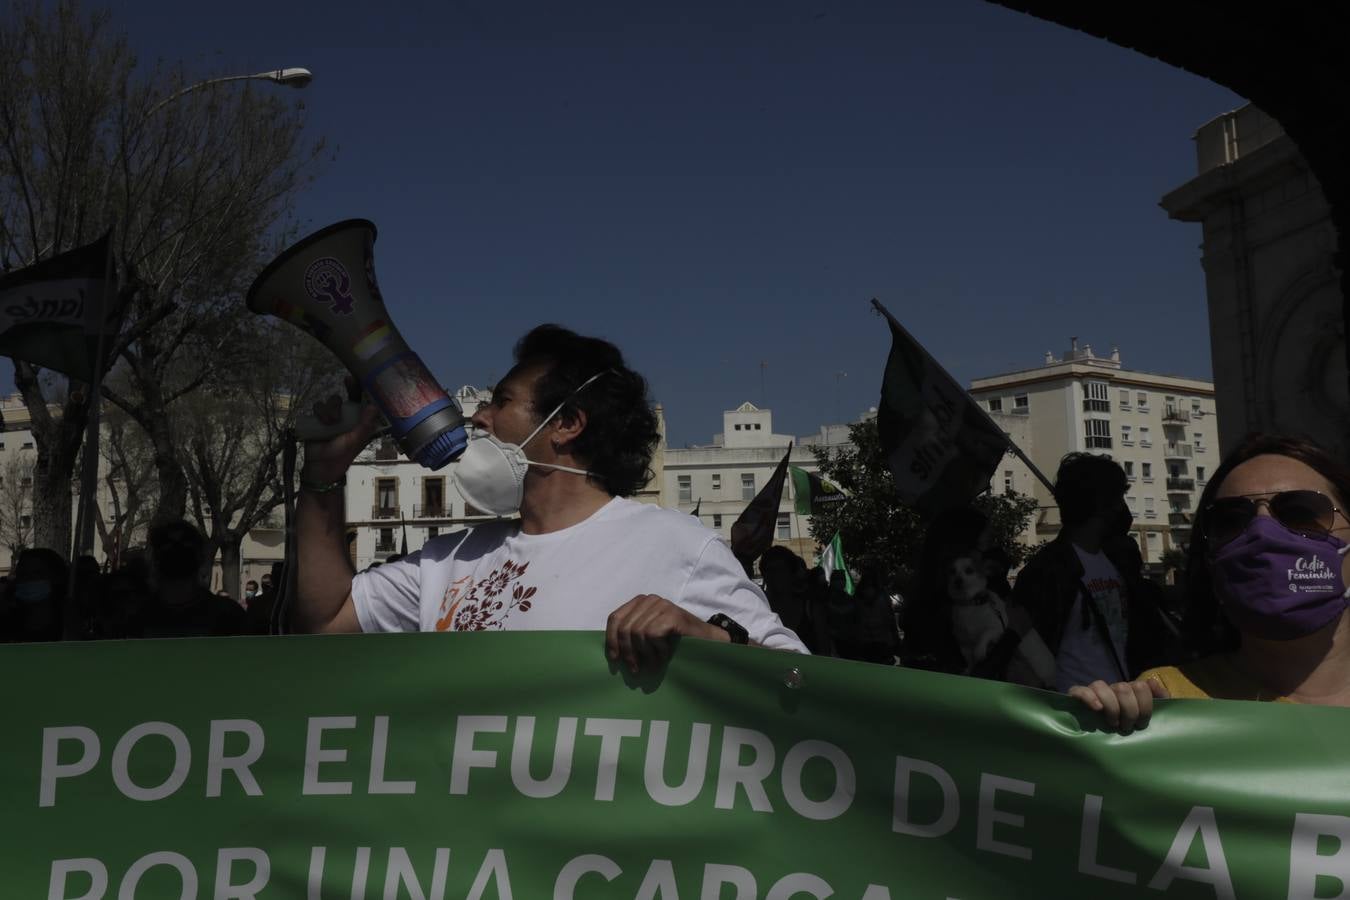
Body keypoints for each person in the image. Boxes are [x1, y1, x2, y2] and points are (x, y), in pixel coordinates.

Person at [294, 324, 806, 668]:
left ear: (565, 423)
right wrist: (322, 475)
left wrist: (708, 638)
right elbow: (328, 619)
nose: (479, 419)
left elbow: (801, 678)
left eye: (502, 402)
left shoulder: (674, 544)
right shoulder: (449, 560)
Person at [1072, 434, 1350, 732]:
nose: (1263, 533)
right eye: (1231, 520)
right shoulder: (1166, 700)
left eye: (1300, 512)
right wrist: (1093, 735)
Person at [1012, 453, 1166, 692]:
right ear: (1104, 504)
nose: (1122, 508)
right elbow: (1027, 658)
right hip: (1074, 710)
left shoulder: (1119, 560)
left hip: (1126, 700)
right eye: (1118, 498)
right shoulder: (1047, 572)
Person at [141, 521, 250, 638]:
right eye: (168, 545)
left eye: (184, 545)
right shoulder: (230, 614)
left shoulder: (137, 616)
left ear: (153, 561)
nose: (177, 551)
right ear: (201, 558)